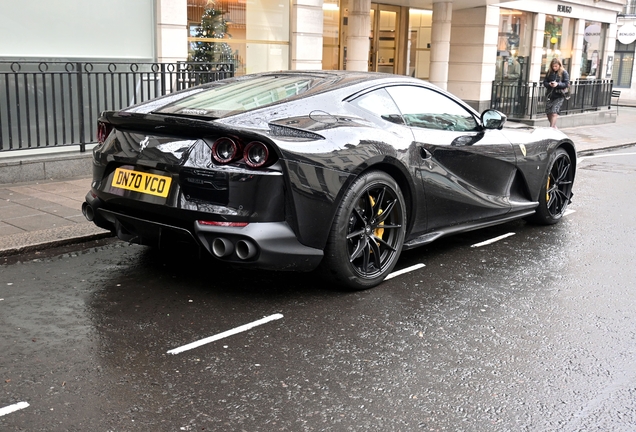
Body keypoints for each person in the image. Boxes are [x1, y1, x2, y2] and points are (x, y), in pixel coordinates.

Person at [543, 58, 570, 129]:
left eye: (556, 66)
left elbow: (566, 84)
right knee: (548, 112)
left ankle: (551, 128)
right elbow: (544, 82)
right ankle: (554, 126)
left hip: (559, 95)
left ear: (559, 65)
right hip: (550, 95)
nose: (554, 68)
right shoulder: (549, 72)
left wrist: (557, 84)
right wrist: (549, 84)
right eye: (553, 66)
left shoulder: (564, 72)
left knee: (554, 112)